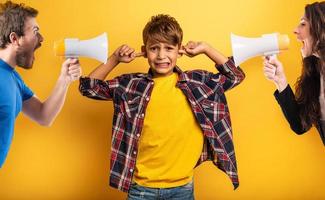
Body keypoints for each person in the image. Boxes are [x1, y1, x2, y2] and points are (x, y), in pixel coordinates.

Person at [79, 14, 245, 199]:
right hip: (141, 189)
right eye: (154, 48)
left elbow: (235, 76)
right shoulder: (131, 85)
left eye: (169, 48)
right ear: (144, 51)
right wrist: (114, 59)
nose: (161, 55)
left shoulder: (197, 83)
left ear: (179, 50)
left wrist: (206, 48)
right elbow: (88, 87)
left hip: (182, 188)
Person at [0, 1, 81, 167]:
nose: (42, 39)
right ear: (15, 38)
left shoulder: (14, 79)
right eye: (35, 31)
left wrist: (64, 80)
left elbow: (44, 116)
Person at [263, 1, 325, 145]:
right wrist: (281, 81)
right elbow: (300, 125)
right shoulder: (317, 74)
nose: (295, 30)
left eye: (303, 24)